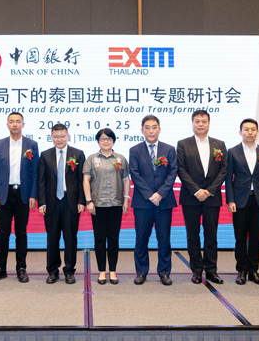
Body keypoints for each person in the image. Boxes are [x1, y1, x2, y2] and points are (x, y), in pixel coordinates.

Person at [177, 109, 228, 285]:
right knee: (193, 235)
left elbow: (224, 170)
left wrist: (210, 190)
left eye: (203, 121)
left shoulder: (219, 145)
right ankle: (197, 271)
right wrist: (196, 190)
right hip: (190, 197)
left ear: (209, 123)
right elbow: (181, 169)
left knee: (211, 235)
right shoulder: (183, 144)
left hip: (212, 197)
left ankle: (212, 271)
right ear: (192, 124)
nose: (200, 124)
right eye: (197, 121)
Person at [0, 112, 39, 283]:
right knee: (3, 233)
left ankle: (21, 269)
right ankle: (0, 268)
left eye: (18, 121)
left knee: (21, 233)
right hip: (4, 195)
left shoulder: (31, 145)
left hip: (23, 195)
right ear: (7, 125)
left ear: (23, 124)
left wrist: (33, 195)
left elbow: (35, 173)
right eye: (12, 121)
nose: (15, 124)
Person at [130, 115, 177, 286]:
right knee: (141, 239)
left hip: (164, 202)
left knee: (164, 239)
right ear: (142, 130)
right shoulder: (135, 150)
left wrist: (160, 194)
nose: (151, 131)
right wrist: (150, 195)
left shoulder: (169, 149)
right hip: (143, 203)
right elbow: (135, 174)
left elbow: (172, 173)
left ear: (159, 129)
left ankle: (164, 272)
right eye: (147, 127)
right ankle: (141, 272)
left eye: (154, 127)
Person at [225, 119, 259, 285]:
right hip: (239, 200)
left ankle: (253, 270)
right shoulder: (233, 152)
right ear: (241, 132)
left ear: (257, 132)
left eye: (253, 129)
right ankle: (241, 270)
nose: (250, 132)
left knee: (255, 237)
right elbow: (228, 178)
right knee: (240, 237)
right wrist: (230, 200)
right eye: (246, 129)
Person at [37, 123, 85, 284]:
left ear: (68, 136)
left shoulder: (78, 154)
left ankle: (69, 271)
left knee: (70, 238)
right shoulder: (45, 155)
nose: (59, 139)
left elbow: (81, 180)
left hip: (71, 202)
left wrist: (81, 201)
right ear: (51, 137)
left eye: (62, 136)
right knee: (52, 238)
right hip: (51, 203)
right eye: (56, 136)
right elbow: (41, 181)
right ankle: (52, 271)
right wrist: (42, 202)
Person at [83, 128, 131, 285]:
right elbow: (86, 180)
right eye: (102, 139)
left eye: (109, 139)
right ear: (98, 141)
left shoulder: (120, 159)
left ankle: (113, 271)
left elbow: (126, 180)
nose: (106, 141)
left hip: (116, 203)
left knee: (113, 239)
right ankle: (102, 271)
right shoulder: (91, 159)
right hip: (98, 204)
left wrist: (126, 199)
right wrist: (89, 201)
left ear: (113, 141)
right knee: (99, 239)